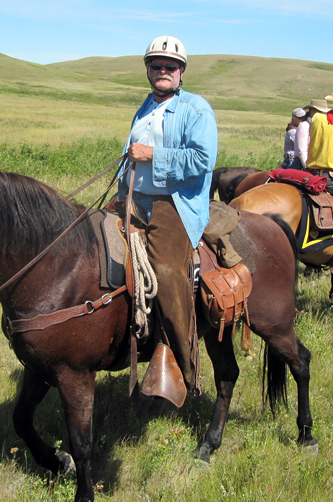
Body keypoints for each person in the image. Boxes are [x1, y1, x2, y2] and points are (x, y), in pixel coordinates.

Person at [117, 35, 218, 394]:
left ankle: (187, 368)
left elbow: (203, 160)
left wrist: (153, 156)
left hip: (173, 202)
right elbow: (131, 152)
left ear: (181, 73)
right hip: (133, 198)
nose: (163, 71)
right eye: (156, 65)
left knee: (164, 271)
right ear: (147, 70)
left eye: (170, 67)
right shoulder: (145, 106)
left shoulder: (195, 109)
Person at [305, 99, 333, 192]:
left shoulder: (316, 118)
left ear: (313, 111)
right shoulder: (328, 119)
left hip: (314, 170)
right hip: (328, 173)